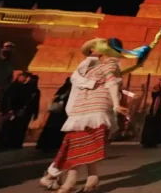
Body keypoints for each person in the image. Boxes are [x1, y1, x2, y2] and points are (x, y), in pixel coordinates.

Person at [39, 38, 129, 193]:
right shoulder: (95, 64)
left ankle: (69, 181)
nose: (94, 50)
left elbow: (112, 82)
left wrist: (116, 104)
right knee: (80, 145)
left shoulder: (110, 64)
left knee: (79, 144)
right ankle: (89, 178)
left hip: (94, 110)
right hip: (81, 109)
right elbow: (77, 80)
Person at [37, 78, 73, 152]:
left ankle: (48, 145)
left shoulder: (63, 90)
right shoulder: (69, 91)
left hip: (57, 114)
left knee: (52, 129)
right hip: (62, 114)